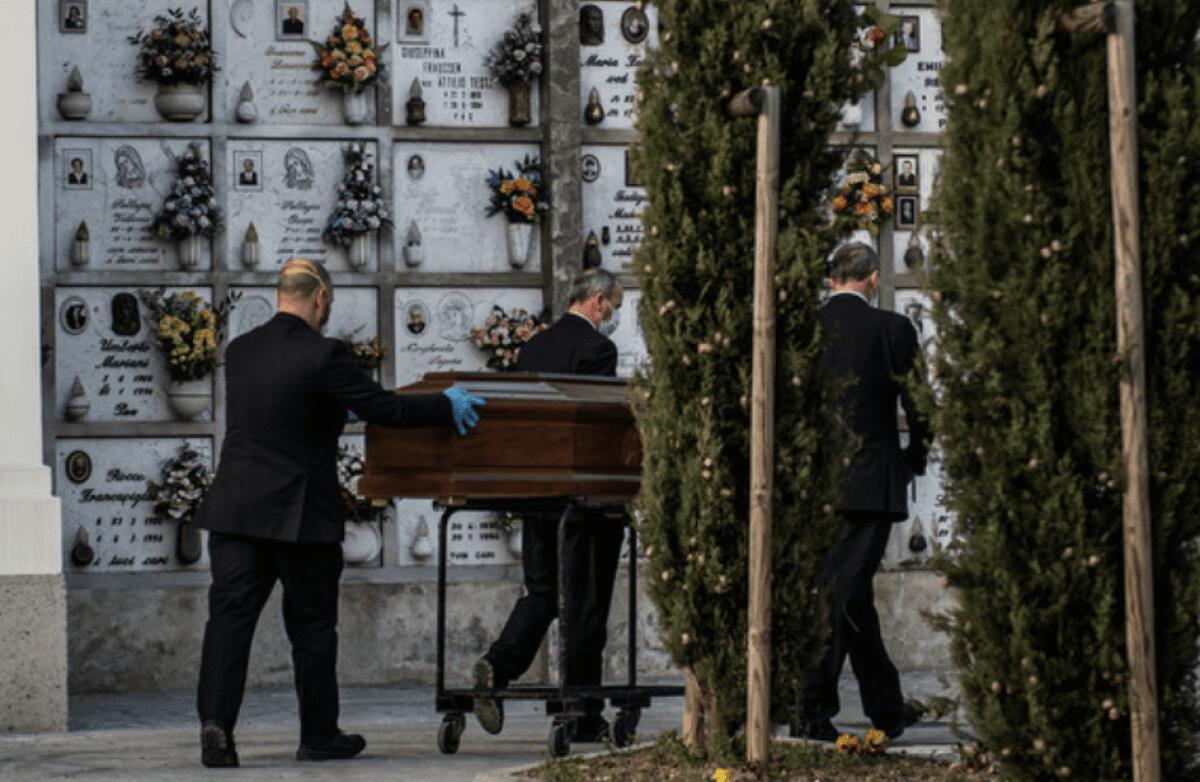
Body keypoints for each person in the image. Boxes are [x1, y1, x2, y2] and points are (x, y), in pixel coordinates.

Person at [193, 259, 485, 768]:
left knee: (228, 623)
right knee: (311, 630)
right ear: (320, 300)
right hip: (298, 515)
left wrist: (331, 410)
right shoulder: (323, 353)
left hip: (236, 512)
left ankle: (216, 726)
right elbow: (385, 409)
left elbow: (280, 411)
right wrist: (444, 403)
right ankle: (318, 735)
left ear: (282, 293)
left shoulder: (240, 352)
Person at [472, 269, 624, 743]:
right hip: (582, 500)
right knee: (584, 603)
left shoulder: (534, 347)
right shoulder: (598, 350)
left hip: (537, 495)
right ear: (597, 303)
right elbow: (595, 425)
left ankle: (497, 667)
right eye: (613, 307)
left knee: (542, 592)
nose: (614, 317)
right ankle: (581, 713)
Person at [796, 243, 930, 742]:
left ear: (833, 278)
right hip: (873, 480)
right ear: (873, 278)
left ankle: (887, 709)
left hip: (811, 483)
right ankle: (811, 710)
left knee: (848, 594)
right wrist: (912, 459)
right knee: (843, 595)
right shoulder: (893, 329)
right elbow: (920, 405)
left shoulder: (804, 327)